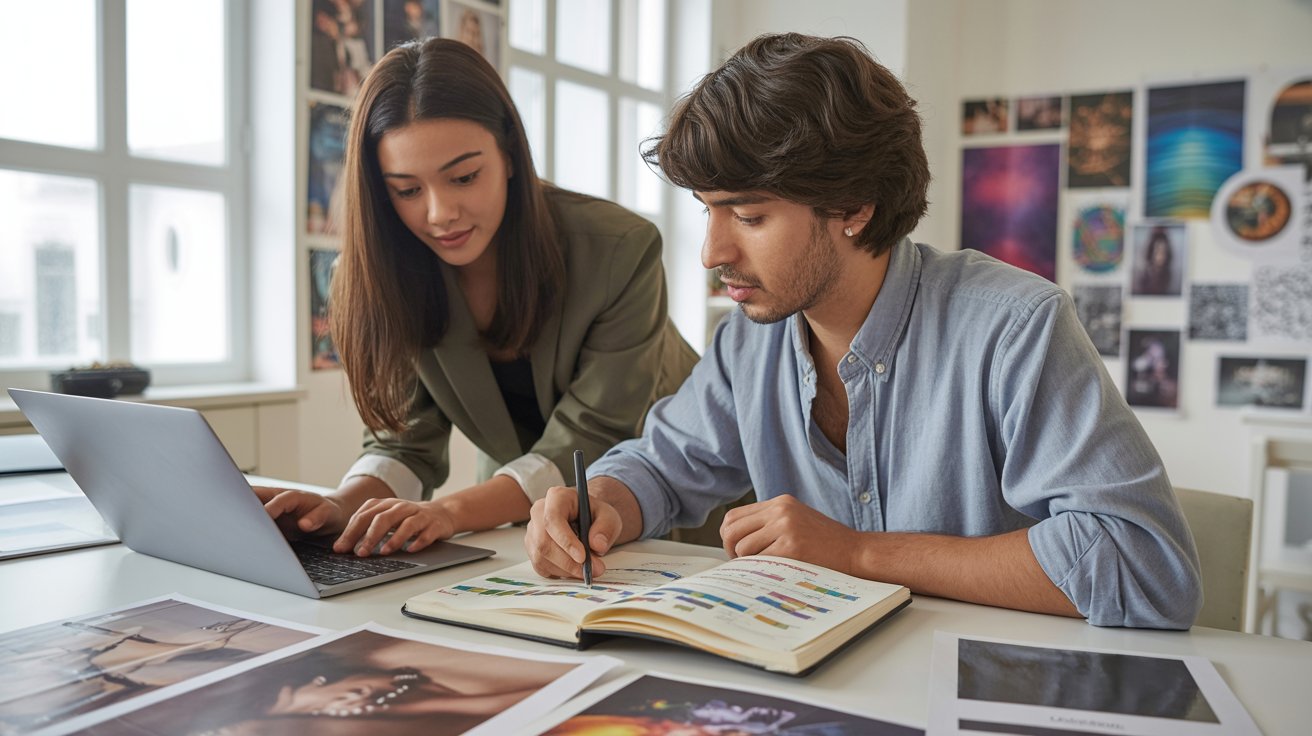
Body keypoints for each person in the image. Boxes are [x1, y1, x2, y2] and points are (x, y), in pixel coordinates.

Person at [525, 33, 1202, 629]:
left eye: (749, 216)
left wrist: (855, 554)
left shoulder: (1014, 328)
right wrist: (603, 503)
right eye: (708, 212)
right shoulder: (748, 341)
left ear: (853, 206)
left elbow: (1144, 567)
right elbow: (663, 468)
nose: (712, 253)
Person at [255, 38, 697, 558]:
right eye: (407, 189)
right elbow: (403, 443)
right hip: (515, 513)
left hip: (662, 511)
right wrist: (338, 508)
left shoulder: (621, 248)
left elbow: (593, 435)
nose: (440, 212)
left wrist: (448, 513)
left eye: (464, 177)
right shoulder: (385, 271)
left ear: (509, 154)